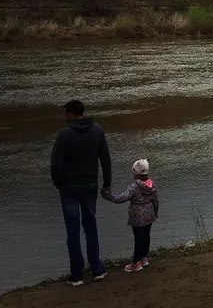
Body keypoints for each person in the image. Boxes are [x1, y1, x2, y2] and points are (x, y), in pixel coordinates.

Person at [50, 99, 111, 287]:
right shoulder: (97, 131)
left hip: (69, 187)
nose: (63, 116)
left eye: (64, 112)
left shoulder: (63, 135)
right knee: (91, 226)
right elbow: (105, 160)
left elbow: (55, 164)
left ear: (69, 113)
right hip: (90, 185)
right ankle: (97, 269)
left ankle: (76, 275)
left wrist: (58, 183)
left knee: (73, 229)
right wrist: (106, 184)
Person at [102, 158, 159, 273]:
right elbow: (156, 200)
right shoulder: (152, 184)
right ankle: (144, 258)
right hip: (150, 214)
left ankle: (136, 263)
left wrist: (108, 196)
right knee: (146, 236)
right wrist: (155, 212)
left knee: (138, 238)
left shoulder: (134, 187)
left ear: (136, 174)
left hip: (137, 216)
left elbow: (120, 198)